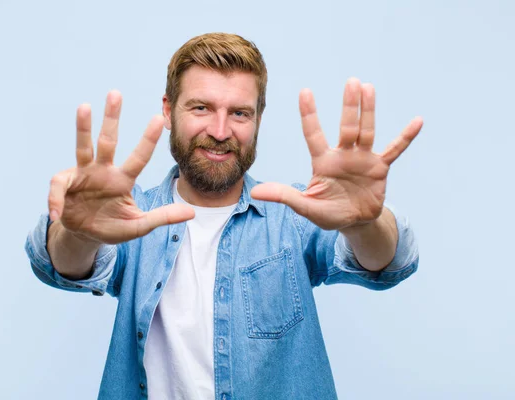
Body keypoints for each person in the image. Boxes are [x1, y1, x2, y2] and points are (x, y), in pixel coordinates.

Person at [25, 32, 422, 400]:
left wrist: (363, 222)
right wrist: (79, 233)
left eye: (240, 114)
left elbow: (388, 262)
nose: (219, 130)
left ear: (258, 120)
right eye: (201, 107)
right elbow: (61, 265)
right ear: (168, 110)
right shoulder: (132, 217)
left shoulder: (296, 217)